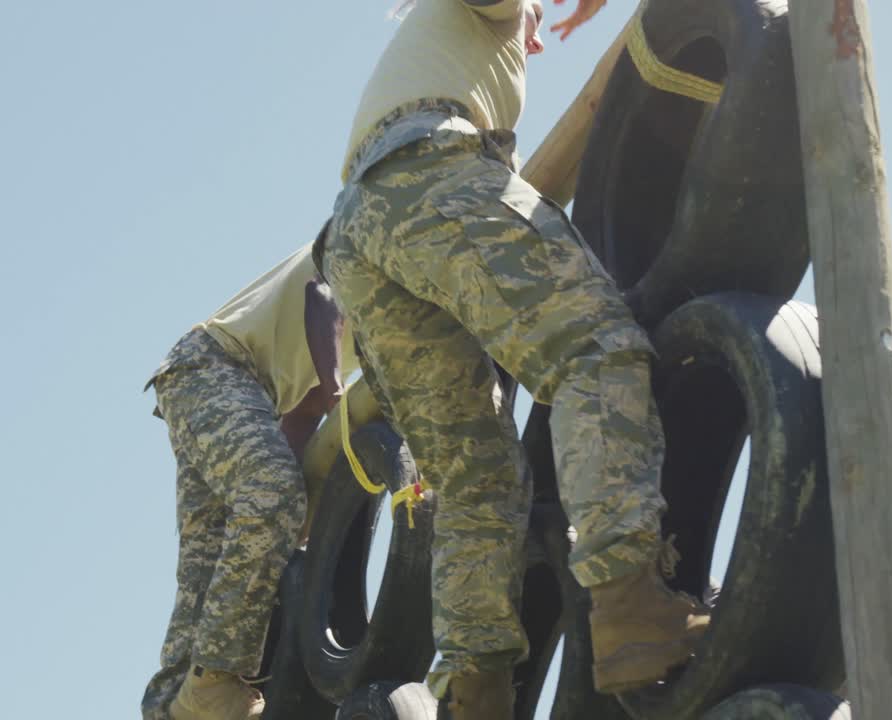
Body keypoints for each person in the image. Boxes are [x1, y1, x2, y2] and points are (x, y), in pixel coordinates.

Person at [314, 1, 710, 717]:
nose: (534, 35)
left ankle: (476, 691)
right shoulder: (480, 15)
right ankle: (627, 604)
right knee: (594, 344)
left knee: (476, 477)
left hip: (360, 229)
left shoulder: (451, 56)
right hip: (425, 170)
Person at [141, 230, 358, 720]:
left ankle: (171, 705)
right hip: (217, 366)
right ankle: (217, 678)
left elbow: (302, 415)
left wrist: (284, 521)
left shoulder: (375, 327)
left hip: (220, 385)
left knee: (212, 554)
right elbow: (320, 295)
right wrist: (338, 390)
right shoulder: (372, 244)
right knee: (270, 492)